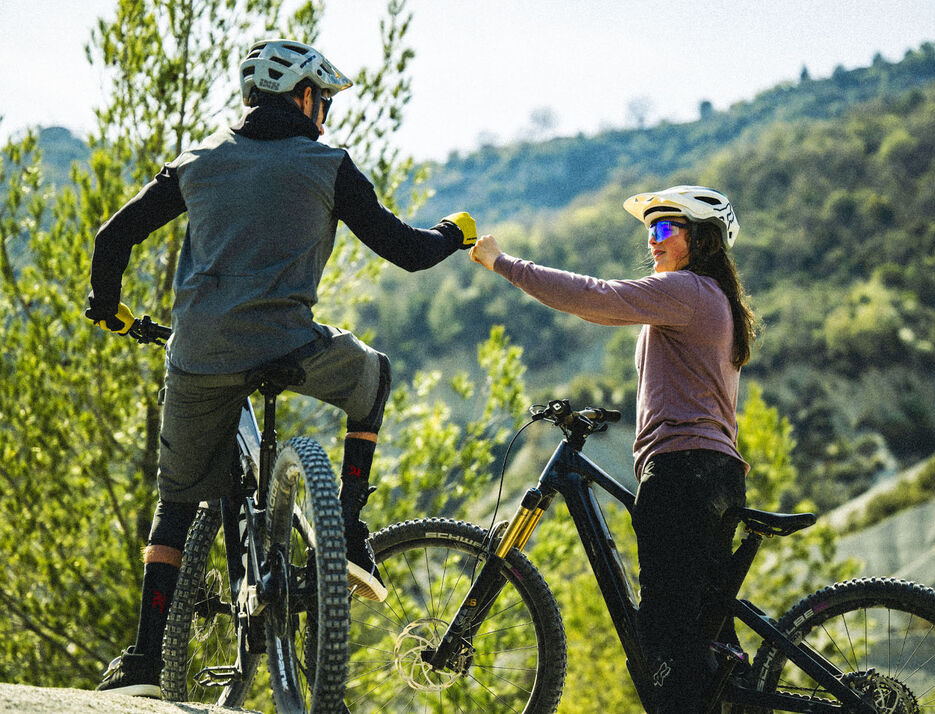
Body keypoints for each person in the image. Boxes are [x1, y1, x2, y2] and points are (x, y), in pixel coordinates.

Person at [86, 38, 477, 697]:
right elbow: (406, 251)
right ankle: (348, 530)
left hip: (199, 355)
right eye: (323, 100)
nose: (325, 112)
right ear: (303, 97)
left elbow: (111, 236)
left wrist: (108, 305)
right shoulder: (327, 163)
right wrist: (454, 232)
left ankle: (146, 662)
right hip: (289, 347)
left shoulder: (197, 161)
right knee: (373, 375)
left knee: (176, 503)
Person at [469, 185, 758, 713]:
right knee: (707, 639)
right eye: (650, 229)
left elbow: (597, 297)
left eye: (667, 228)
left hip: (682, 473)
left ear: (704, 239)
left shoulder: (688, 292)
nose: (653, 240)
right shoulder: (712, 300)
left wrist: (503, 263)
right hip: (714, 474)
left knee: (665, 641)